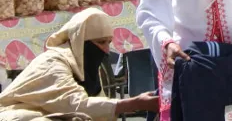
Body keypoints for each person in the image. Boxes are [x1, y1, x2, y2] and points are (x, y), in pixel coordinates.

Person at [0, 9, 159, 120]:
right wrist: (135, 103)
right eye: (100, 42)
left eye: (108, 43)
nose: (105, 51)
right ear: (80, 41)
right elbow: (75, 104)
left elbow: (95, 111)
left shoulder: (83, 68)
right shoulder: (53, 64)